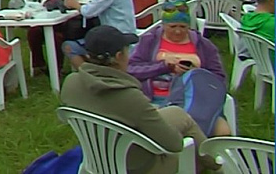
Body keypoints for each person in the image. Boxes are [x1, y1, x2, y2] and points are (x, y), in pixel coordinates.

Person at [60, 25, 221, 174]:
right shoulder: (128, 95)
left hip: (96, 158)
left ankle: (216, 163)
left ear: (89, 55)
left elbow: (110, 109)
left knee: (176, 113)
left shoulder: (71, 83)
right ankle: (219, 165)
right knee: (187, 143)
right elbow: (174, 144)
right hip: (136, 166)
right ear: (118, 56)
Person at [128, 2, 228, 123]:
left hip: (195, 100)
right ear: (163, 25)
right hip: (154, 99)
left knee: (222, 131)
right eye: (173, 26)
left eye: (182, 27)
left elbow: (219, 78)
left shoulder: (204, 45)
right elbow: (131, 69)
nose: (178, 31)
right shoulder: (149, 41)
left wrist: (196, 74)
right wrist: (164, 66)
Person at [62, 0, 137, 69]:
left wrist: (75, 4)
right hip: (125, 30)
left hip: (116, 35)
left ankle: (90, 74)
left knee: (68, 46)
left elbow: (89, 12)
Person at [28, 0, 89, 75]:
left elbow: (86, 7)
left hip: (69, 26)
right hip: (50, 22)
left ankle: (56, 68)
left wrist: (71, 4)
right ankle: (38, 64)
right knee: (33, 32)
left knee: (56, 37)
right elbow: (43, 5)